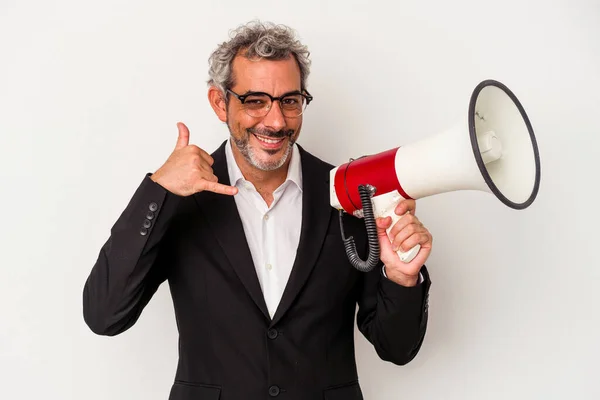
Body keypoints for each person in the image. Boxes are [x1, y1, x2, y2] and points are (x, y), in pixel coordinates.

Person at [82, 20, 433, 400]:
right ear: (220, 103)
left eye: (290, 101)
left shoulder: (347, 193)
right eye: (255, 101)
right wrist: (158, 191)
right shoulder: (178, 199)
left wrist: (401, 279)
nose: (276, 121)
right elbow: (105, 315)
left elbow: (395, 348)